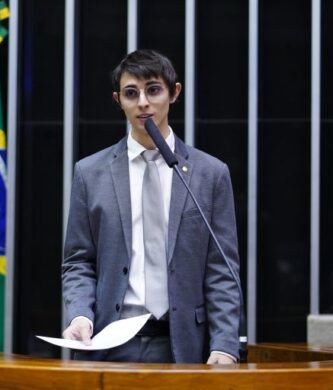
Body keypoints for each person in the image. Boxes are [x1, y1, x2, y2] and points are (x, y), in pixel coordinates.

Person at [62, 49, 241, 364]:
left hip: (182, 343)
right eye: (132, 93)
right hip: (109, 341)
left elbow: (222, 270)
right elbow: (78, 262)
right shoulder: (90, 173)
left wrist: (224, 345)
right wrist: (79, 315)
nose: (143, 102)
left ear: (174, 93)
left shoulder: (210, 174)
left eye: (153, 90)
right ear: (119, 100)